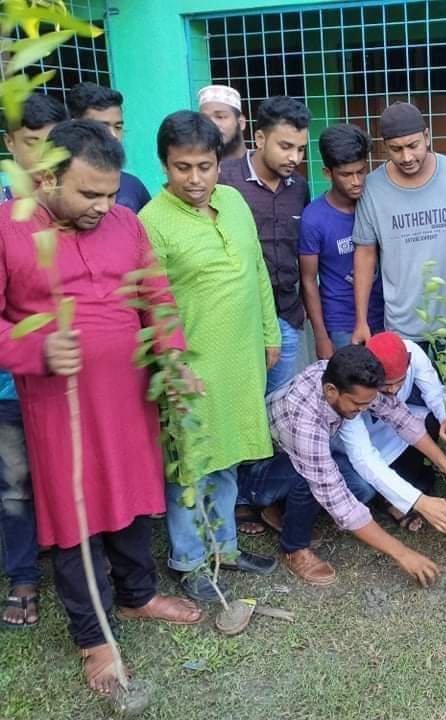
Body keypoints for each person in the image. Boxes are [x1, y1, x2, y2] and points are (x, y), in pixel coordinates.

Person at [0, 120, 204, 694]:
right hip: (60, 406)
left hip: (129, 396)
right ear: (47, 176)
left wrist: (173, 360)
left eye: (111, 193)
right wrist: (34, 347)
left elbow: (155, 297)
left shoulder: (125, 224)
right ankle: (93, 636)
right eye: (89, 193)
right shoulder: (10, 231)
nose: (103, 206)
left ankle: (137, 595)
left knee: (133, 497)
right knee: (77, 517)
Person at [140, 111, 281, 602]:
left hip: (241, 355)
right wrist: (174, 366)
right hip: (192, 366)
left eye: (205, 166)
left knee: (228, 456)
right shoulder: (151, 223)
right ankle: (189, 559)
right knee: (192, 462)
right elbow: (151, 305)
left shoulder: (235, 201)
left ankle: (225, 547)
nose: (196, 179)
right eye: (183, 168)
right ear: (164, 166)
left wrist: (270, 333)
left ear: (219, 163)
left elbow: (256, 270)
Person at [238, 344, 446, 586]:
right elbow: (336, 497)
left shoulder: (348, 378)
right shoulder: (305, 422)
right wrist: (403, 553)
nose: (364, 410)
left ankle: (282, 509)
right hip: (259, 473)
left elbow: (401, 418)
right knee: (312, 480)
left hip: (294, 456)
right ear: (331, 391)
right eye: (357, 405)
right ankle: (294, 546)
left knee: (360, 487)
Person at [0, 92, 68, 629]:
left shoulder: (77, 206)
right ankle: (23, 575)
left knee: (67, 475)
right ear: (9, 144)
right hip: (10, 382)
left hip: (68, 381)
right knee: (17, 481)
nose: (44, 157)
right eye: (32, 144)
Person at [351, 102, 446, 346]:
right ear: (384, 146)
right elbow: (365, 255)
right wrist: (361, 321)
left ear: (427, 137)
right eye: (396, 149)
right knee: (407, 385)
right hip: (401, 326)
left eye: (413, 146)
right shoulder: (373, 188)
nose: (407, 157)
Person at [219, 95, 311, 392]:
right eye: (285, 147)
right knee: (243, 399)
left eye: (300, 149)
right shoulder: (224, 181)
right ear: (259, 138)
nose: (294, 158)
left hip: (286, 313)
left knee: (278, 404)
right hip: (239, 317)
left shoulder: (299, 187)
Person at [331, 331, 446, 531]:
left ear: (408, 363)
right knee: (364, 489)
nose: (392, 390)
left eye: (399, 381)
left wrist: (445, 418)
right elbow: (364, 456)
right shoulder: (355, 384)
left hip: (396, 428)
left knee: (428, 421)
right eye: (386, 385)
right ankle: (389, 499)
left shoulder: (412, 352)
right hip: (360, 442)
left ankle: (407, 489)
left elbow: (430, 397)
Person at [299, 124, 384, 358]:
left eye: (361, 171)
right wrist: (321, 337)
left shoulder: (375, 204)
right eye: (347, 174)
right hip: (341, 324)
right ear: (328, 173)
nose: (356, 181)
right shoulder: (313, 218)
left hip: (386, 315)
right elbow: (308, 281)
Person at [66, 82, 151, 212]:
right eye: (102, 127)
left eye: (118, 127)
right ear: (75, 127)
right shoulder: (59, 187)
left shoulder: (133, 187)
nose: (113, 136)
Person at [198, 84, 247, 161]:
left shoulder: (257, 165)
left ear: (241, 123)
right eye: (205, 119)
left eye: (220, 117)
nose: (212, 124)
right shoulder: (198, 169)